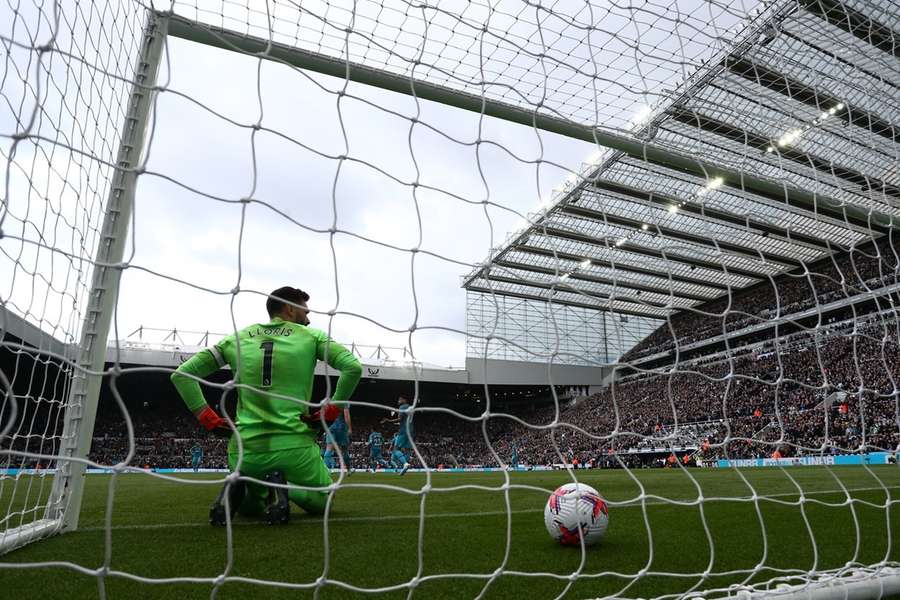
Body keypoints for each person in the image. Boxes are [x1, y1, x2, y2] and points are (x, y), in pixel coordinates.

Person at [171, 286, 362, 525]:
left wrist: (207, 418)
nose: (308, 318)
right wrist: (331, 411)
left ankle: (245, 485)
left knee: (251, 509)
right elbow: (353, 368)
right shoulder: (312, 336)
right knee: (325, 500)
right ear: (290, 309)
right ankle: (286, 487)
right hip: (294, 446)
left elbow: (182, 375)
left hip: (244, 450)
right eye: (305, 311)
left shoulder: (236, 339)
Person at [382, 396, 414, 475]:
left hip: (403, 431)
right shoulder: (411, 407)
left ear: (404, 400)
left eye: (400, 399)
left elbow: (399, 418)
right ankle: (405, 467)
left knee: (396, 449)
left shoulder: (402, 407)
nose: (398, 400)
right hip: (411, 430)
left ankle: (405, 464)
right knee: (408, 450)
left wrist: (389, 420)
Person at [324, 407, 352, 474]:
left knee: (328, 449)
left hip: (330, 427)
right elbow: (346, 415)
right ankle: (348, 470)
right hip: (341, 427)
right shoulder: (344, 401)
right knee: (344, 450)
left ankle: (325, 470)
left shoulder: (330, 401)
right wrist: (349, 428)